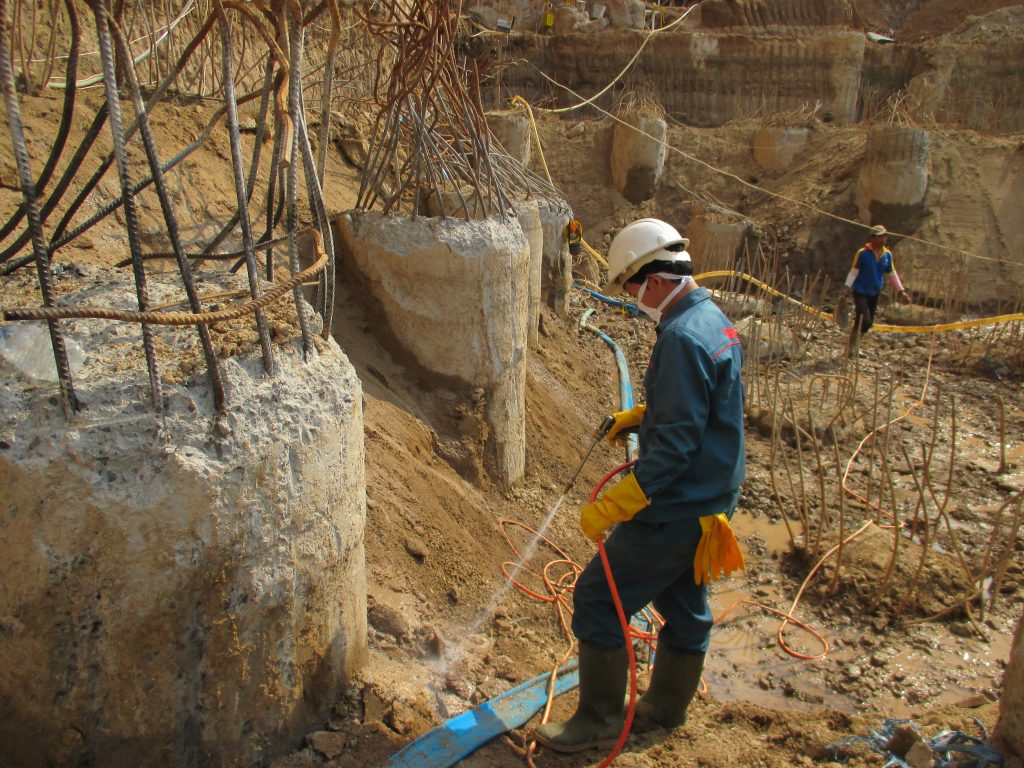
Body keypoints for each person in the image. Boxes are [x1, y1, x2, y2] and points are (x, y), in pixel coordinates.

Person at [534, 218, 746, 753]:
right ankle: (666, 708)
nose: (630, 297)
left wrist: (616, 504)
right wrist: (643, 416)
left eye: (630, 285)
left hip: (677, 506)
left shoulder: (679, 337)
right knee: (685, 606)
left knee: (598, 598)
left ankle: (599, 719)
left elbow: (674, 451)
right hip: (710, 502)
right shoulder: (712, 320)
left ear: (654, 278)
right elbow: (700, 410)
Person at [845, 224, 910, 356]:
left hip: (874, 292)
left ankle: (854, 346)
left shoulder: (887, 255)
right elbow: (854, 271)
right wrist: (847, 286)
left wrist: (901, 291)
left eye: (884, 236)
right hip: (860, 290)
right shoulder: (862, 253)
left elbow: (892, 273)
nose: (883, 239)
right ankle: (851, 346)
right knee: (864, 319)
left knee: (868, 324)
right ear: (872, 238)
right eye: (880, 237)